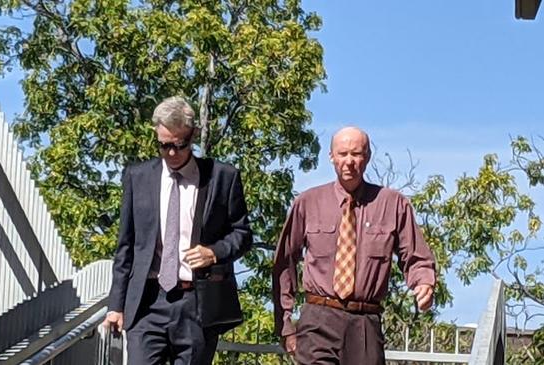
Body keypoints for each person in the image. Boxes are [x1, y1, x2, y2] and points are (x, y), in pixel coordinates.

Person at [102, 96, 252, 365]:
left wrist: (214, 253)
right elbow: (126, 246)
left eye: (179, 145)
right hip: (147, 303)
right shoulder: (138, 177)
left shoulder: (222, 177)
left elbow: (242, 234)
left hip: (197, 303)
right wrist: (116, 305)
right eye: (164, 146)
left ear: (193, 136)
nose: (171, 153)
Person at [272, 126, 436, 365]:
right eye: (342, 154)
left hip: (365, 323)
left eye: (356, 154)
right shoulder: (308, 202)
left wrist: (424, 283)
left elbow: (416, 257)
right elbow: (284, 264)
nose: (349, 161)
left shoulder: (392, 204)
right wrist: (285, 323)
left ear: (367, 157)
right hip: (318, 318)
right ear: (331, 157)